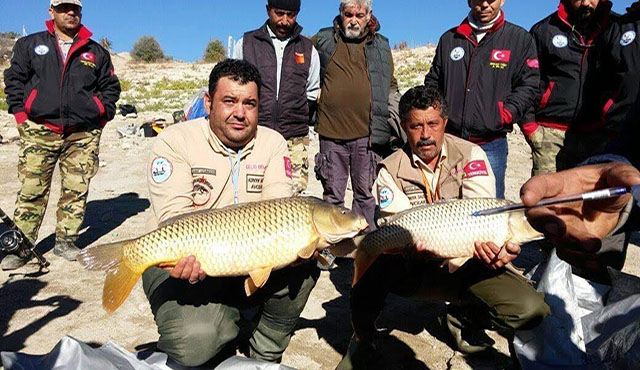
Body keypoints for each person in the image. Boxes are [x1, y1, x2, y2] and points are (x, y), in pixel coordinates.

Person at [337, 86, 549, 369]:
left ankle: (464, 317)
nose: (426, 135)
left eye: (433, 124)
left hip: (468, 264)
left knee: (532, 309)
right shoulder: (389, 168)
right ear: (404, 127)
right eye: (416, 126)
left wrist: (501, 254)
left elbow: (481, 212)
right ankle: (363, 337)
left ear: (444, 123)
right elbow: (400, 225)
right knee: (369, 268)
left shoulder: (471, 155)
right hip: (413, 263)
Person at [142, 59, 320, 367]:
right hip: (180, 261)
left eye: (250, 103)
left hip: (246, 256)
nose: (240, 112)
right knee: (195, 346)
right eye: (229, 101)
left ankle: (265, 351)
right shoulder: (175, 140)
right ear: (208, 102)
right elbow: (172, 217)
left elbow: (280, 210)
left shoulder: (273, 143)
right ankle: (222, 323)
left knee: (304, 262)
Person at [2, 0, 120, 270]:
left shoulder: (95, 51)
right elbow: (14, 80)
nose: (71, 12)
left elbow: (110, 88)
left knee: (76, 189)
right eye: (64, 7)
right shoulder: (30, 45)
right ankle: (21, 247)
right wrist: (21, 116)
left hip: (83, 133)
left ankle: (66, 241)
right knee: (32, 189)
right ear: (51, 11)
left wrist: (100, 115)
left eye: (75, 8)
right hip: (40, 130)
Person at [424, 0, 539, 199]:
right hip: (451, 142)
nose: (484, 5)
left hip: (491, 144)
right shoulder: (450, 39)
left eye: (491, 0)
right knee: (448, 203)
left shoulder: (519, 39)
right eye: (478, 0)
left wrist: (505, 114)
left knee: (489, 206)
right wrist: (439, 118)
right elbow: (433, 82)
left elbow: (529, 84)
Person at [312, 0, 402, 230]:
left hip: (367, 135)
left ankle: (364, 244)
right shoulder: (322, 40)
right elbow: (302, 67)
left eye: (359, 15)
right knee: (332, 194)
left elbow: (390, 84)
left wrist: (393, 119)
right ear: (340, 15)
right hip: (330, 133)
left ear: (369, 16)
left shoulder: (381, 45)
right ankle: (334, 245)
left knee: (365, 193)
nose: (353, 20)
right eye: (348, 14)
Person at [233, 0, 320, 195]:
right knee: (251, 195)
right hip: (254, 135)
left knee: (292, 197)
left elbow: (312, 91)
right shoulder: (246, 44)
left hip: (294, 138)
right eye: (279, 13)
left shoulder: (307, 48)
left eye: (291, 15)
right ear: (268, 10)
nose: (284, 21)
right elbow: (235, 88)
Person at [523, 0, 618, 175]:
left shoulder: (617, 28)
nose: (585, 3)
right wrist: (530, 127)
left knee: (594, 199)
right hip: (550, 134)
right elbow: (526, 81)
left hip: (599, 134)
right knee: (546, 199)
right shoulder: (543, 30)